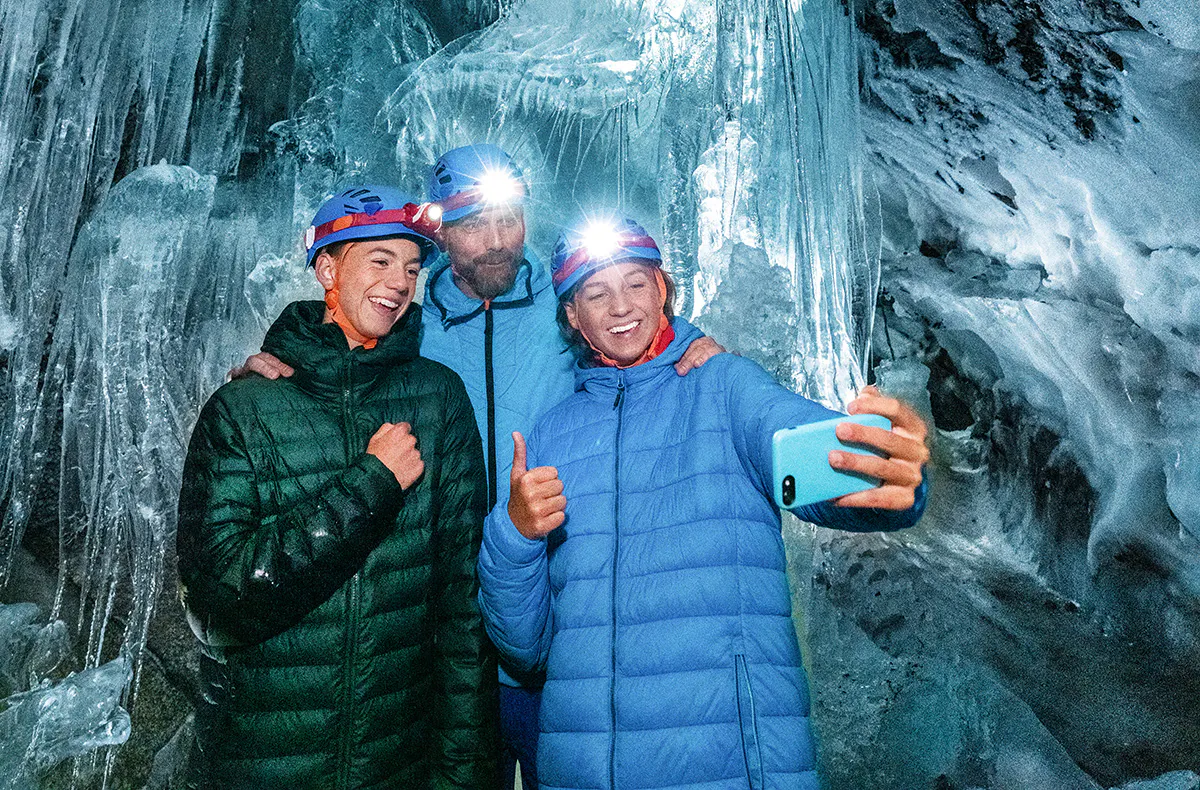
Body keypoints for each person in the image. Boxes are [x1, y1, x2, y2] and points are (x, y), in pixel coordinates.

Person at [233, 145, 724, 788]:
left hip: (556, 622)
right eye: (472, 225)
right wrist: (274, 368)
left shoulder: (568, 304)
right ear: (439, 233)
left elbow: (634, 324)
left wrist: (694, 343)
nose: (496, 242)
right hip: (444, 639)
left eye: (509, 219)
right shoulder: (407, 322)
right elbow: (337, 357)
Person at [477, 216, 931, 790]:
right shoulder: (552, 435)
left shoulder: (725, 386)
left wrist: (884, 465)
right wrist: (515, 535)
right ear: (572, 315)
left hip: (726, 763)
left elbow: (802, 447)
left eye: (636, 284)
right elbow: (527, 649)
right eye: (596, 293)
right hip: (584, 769)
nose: (621, 306)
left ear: (662, 289)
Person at [177, 186, 497, 789]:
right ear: (327, 269)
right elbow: (217, 606)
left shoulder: (439, 400)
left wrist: (463, 777)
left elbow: (461, 609)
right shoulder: (245, 409)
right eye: (380, 260)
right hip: (263, 765)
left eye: (412, 268)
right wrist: (371, 484)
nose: (399, 283)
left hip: (395, 764)